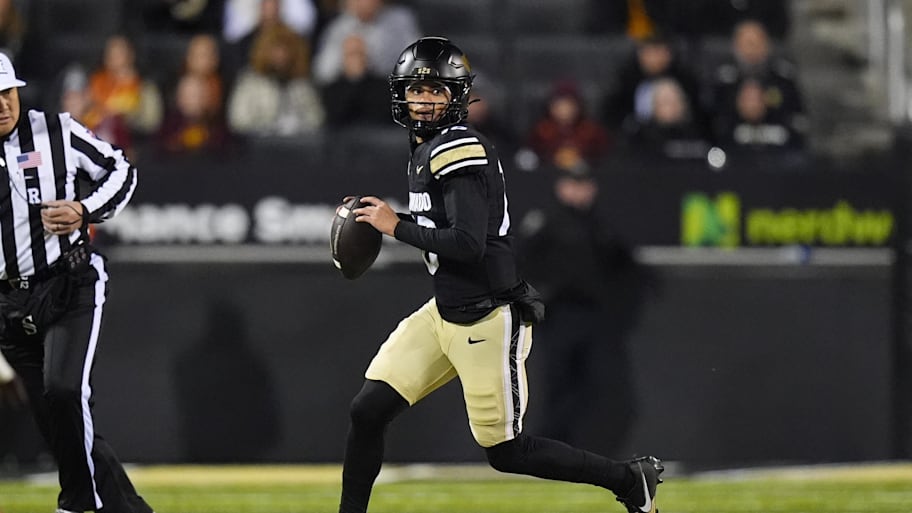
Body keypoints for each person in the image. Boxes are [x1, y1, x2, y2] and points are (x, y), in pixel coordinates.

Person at [334, 36, 663, 513]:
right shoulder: (427, 145)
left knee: (507, 451)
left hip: (485, 317)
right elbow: (444, 228)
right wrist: (389, 220)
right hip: (445, 312)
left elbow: (468, 244)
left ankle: (629, 480)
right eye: (415, 90)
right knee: (367, 410)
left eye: (434, 90)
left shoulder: (459, 148)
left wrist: (396, 226)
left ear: (456, 96)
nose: (422, 100)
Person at [0, 52, 153, 513]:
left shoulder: (57, 131)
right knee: (59, 421)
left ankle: (76, 504)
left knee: (64, 391)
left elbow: (121, 170)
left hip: (68, 283)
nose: (2, 104)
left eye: (6, 93)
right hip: (8, 303)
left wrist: (85, 210)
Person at [516, 164, 653, 454]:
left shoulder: (602, 226)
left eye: (585, 184)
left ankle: (587, 455)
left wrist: (621, 309)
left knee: (601, 392)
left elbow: (628, 269)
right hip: (560, 317)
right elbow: (521, 265)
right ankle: (547, 454)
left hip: (596, 321)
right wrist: (539, 299)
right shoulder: (545, 223)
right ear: (561, 187)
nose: (580, 191)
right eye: (574, 184)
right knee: (559, 390)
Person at [227, 24, 325, 137]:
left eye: (286, 49)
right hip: (259, 142)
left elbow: (317, 119)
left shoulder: (302, 84)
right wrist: (268, 127)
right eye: (276, 50)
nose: (281, 55)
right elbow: (238, 120)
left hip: (298, 142)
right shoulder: (250, 82)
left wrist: (298, 126)